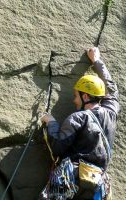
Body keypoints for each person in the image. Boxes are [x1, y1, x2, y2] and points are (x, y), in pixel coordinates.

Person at [40, 47, 120, 200]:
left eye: (76, 96)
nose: (74, 100)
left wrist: (51, 122)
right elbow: (112, 90)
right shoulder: (111, 113)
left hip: (72, 177)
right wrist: (96, 61)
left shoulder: (78, 118)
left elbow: (58, 146)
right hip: (98, 183)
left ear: (85, 96)